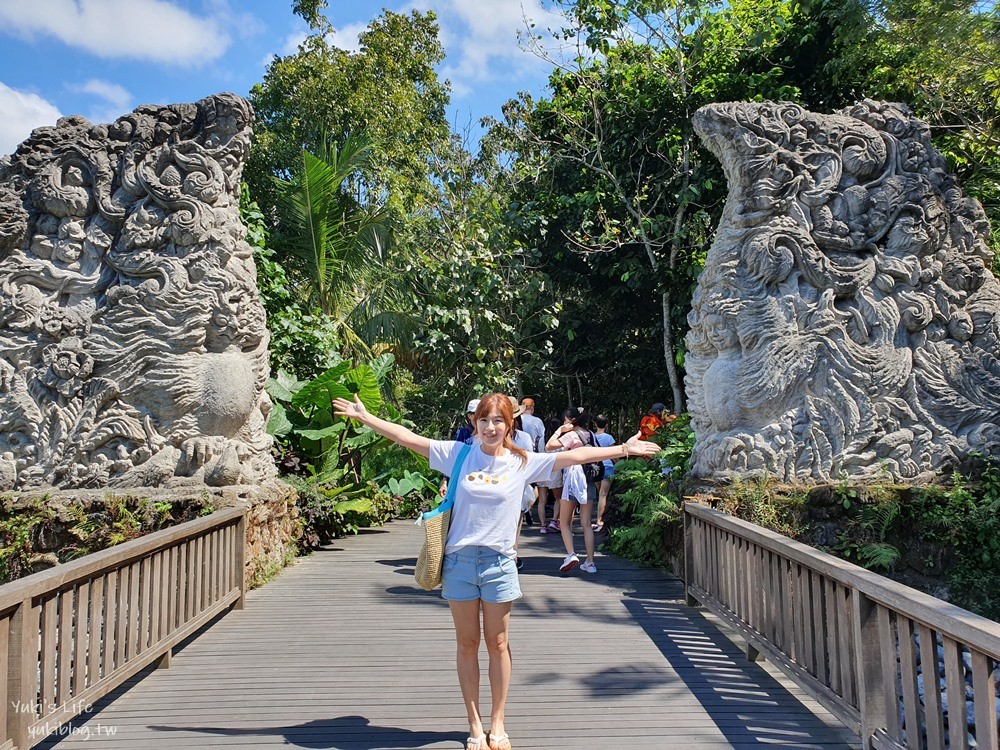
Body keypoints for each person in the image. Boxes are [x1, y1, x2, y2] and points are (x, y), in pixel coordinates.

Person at [332, 392, 658, 750]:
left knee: (498, 643)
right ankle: (474, 724)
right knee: (467, 643)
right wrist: (367, 418)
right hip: (459, 562)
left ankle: (498, 722)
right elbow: (407, 437)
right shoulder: (457, 454)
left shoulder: (522, 461)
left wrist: (624, 450)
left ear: (510, 425)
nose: (490, 427)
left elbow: (575, 455)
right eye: (484, 420)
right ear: (475, 423)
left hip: (500, 564)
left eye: (498, 421)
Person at [545, 407, 599, 574]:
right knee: (586, 524)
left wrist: (559, 431)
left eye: (565, 420)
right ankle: (590, 563)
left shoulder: (570, 435)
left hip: (572, 480)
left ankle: (571, 554)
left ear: (571, 420)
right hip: (588, 480)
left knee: (564, 521)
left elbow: (549, 446)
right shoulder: (590, 434)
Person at [592, 414, 616, 532]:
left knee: (600, 494)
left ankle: (599, 519)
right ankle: (600, 520)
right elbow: (614, 453)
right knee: (603, 495)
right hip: (607, 467)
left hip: (596, 467)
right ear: (606, 424)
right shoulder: (609, 438)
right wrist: (619, 464)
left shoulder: (592, 437)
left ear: (595, 424)